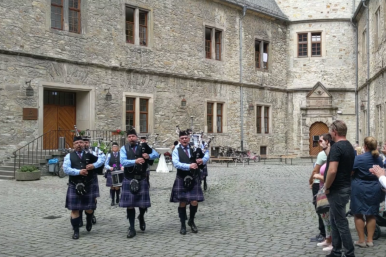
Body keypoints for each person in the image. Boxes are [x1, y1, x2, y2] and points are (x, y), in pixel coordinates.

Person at [119, 128, 159, 238]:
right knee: (130, 205)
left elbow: (156, 154)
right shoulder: (124, 149)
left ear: (136, 137)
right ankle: (131, 228)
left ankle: (141, 216)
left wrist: (149, 156)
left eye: (133, 136)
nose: (131, 138)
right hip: (129, 178)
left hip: (141, 178)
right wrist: (135, 161)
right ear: (128, 138)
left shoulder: (144, 146)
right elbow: (122, 162)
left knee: (142, 204)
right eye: (129, 136)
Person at [324, 120, 355, 257]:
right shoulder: (349, 146)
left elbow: (332, 171)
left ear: (335, 132)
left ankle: (349, 252)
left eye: (331, 131)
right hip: (345, 186)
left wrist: (326, 186)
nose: (330, 133)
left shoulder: (337, 147)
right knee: (334, 219)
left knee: (341, 222)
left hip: (337, 189)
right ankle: (336, 251)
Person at [171, 130, 209, 235]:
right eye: (182, 138)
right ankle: (183, 224)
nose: (184, 140)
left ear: (189, 138)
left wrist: (203, 160)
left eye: (186, 138)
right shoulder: (176, 150)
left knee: (194, 201)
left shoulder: (194, 147)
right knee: (182, 202)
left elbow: (206, 153)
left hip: (194, 177)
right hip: (182, 178)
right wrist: (189, 166)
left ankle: (191, 221)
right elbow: (176, 163)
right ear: (179, 140)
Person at [350, 137, 384, 248]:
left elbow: (351, 171)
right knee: (371, 214)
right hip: (374, 188)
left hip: (359, 188)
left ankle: (361, 240)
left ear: (365, 146)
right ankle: (370, 240)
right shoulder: (379, 159)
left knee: (358, 214)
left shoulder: (359, 158)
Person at [63, 136, 99, 239]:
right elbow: (66, 169)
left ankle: (89, 219)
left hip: (88, 184)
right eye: (76, 143)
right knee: (74, 209)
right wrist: (78, 172)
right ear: (74, 145)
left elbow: (101, 161)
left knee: (89, 208)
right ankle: (76, 231)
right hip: (74, 184)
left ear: (84, 144)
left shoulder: (90, 155)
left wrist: (94, 166)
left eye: (81, 142)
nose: (79, 144)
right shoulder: (68, 156)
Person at [78, 137, 106, 226]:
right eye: (84, 142)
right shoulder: (78, 153)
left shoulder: (95, 150)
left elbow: (102, 159)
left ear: (89, 143)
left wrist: (94, 165)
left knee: (93, 198)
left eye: (86, 142)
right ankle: (80, 218)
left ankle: (91, 214)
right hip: (79, 176)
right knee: (80, 197)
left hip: (92, 176)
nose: (85, 144)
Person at [313, 133, 333, 252]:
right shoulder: (325, 156)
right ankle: (328, 239)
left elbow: (330, 176)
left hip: (328, 190)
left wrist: (318, 176)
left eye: (322, 141)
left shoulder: (332, 158)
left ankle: (333, 242)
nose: (320, 144)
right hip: (322, 190)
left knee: (330, 218)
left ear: (328, 142)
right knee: (325, 217)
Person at [309, 135, 328, 242]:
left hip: (318, 183)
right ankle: (326, 233)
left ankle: (323, 233)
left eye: (321, 140)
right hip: (326, 182)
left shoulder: (322, 154)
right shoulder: (331, 152)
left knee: (320, 207)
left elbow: (315, 170)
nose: (319, 142)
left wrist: (310, 181)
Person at [104, 142, 122, 206]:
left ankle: (117, 197)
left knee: (117, 187)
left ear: (118, 148)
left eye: (116, 147)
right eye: (113, 147)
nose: (115, 148)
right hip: (111, 172)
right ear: (112, 148)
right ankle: (112, 200)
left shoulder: (121, 154)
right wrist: (109, 167)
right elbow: (106, 164)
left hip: (119, 172)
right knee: (112, 187)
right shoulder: (109, 155)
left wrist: (121, 166)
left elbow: (122, 162)